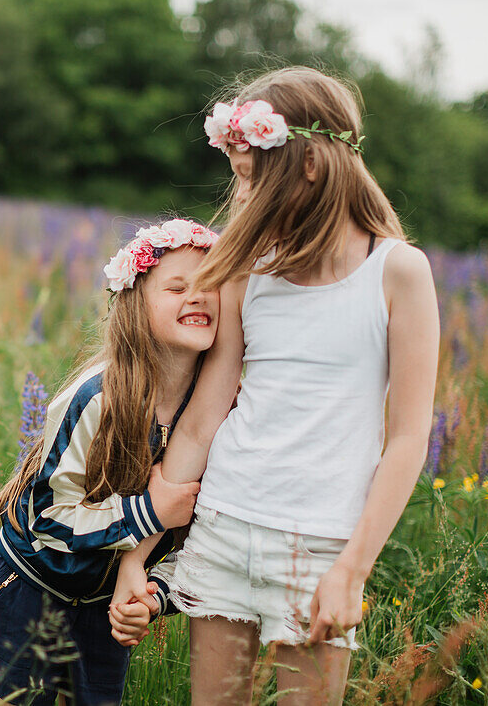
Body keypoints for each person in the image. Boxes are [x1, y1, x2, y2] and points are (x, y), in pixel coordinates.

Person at [109, 67, 440, 706]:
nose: (242, 199)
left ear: (310, 164)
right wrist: (135, 549)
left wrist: (353, 569)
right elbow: (207, 416)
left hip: (322, 548)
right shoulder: (251, 267)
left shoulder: (398, 272)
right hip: (226, 525)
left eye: (254, 178)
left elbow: (407, 439)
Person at [0, 217, 221, 705]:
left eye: (210, 285)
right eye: (177, 287)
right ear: (136, 305)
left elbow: (206, 536)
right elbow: (49, 518)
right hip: (33, 584)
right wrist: (148, 513)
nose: (197, 296)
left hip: (104, 604)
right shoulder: (98, 397)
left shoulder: (216, 412)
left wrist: (155, 594)